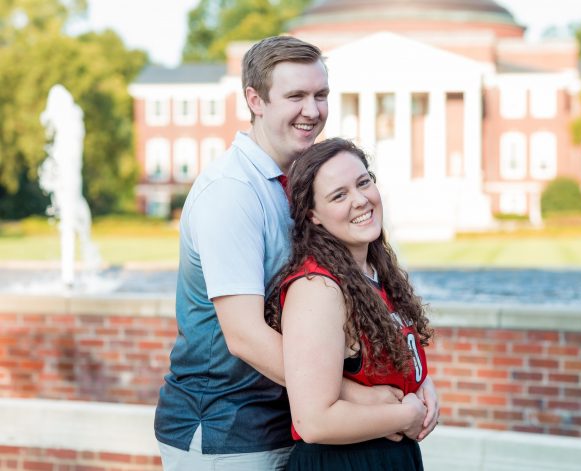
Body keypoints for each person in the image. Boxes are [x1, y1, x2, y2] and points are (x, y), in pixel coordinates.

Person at [154, 36, 438, 470]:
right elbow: (245, 335)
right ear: (255, 100)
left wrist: (410, 379)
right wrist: (364, 399)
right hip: (228, 430)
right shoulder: (231, 193)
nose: (313, 110)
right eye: (296, 96)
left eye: (320, 94)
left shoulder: (304, 183)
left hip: (294, 422)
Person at [264, 138, 433, 470]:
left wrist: (422, 385)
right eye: (339, 195)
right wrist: (404, 415)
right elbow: (314, 420)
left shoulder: (373, 272)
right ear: (313, 215)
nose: (360, 200)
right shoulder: (318, 288)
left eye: (363, 183)